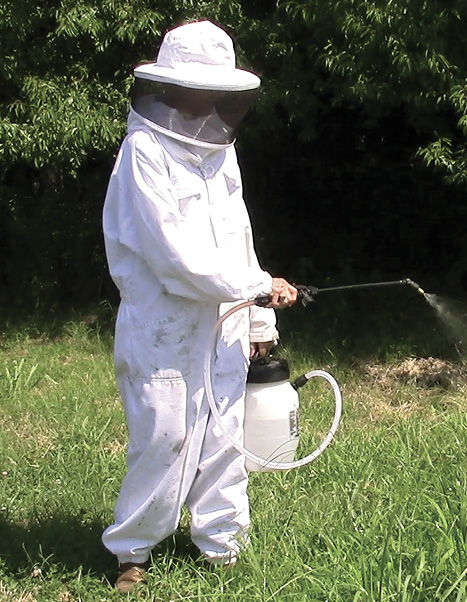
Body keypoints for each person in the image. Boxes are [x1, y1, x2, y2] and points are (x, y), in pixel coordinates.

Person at [102, 20, 298, 593]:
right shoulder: (144, 151)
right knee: (164, 434)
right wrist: (256, 285)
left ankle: (221, 547)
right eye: (197, 87)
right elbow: (173, 256)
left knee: (224, 431)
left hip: (226, 319)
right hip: (163, 321)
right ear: (170, 85)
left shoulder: (220, 152)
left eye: (217, 90)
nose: (207, 101)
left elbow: (239, 232)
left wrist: (257, 314)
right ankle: (133, 551)